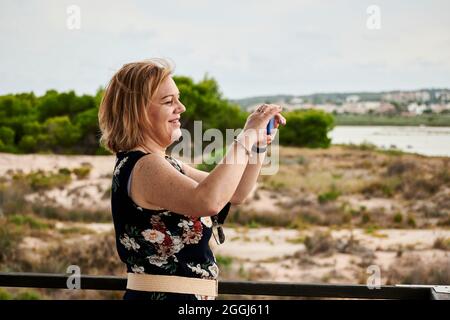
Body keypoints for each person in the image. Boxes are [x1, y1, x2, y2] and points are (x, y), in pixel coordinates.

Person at [98, 58, 286, 300]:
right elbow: (209, 200)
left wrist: (258, 145)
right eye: (169, 101)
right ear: (138, 112)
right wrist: (246, 136)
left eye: (178, 98)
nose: (181, 107)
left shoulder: (162, 162)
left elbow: (235, 192)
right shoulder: (145, 165)